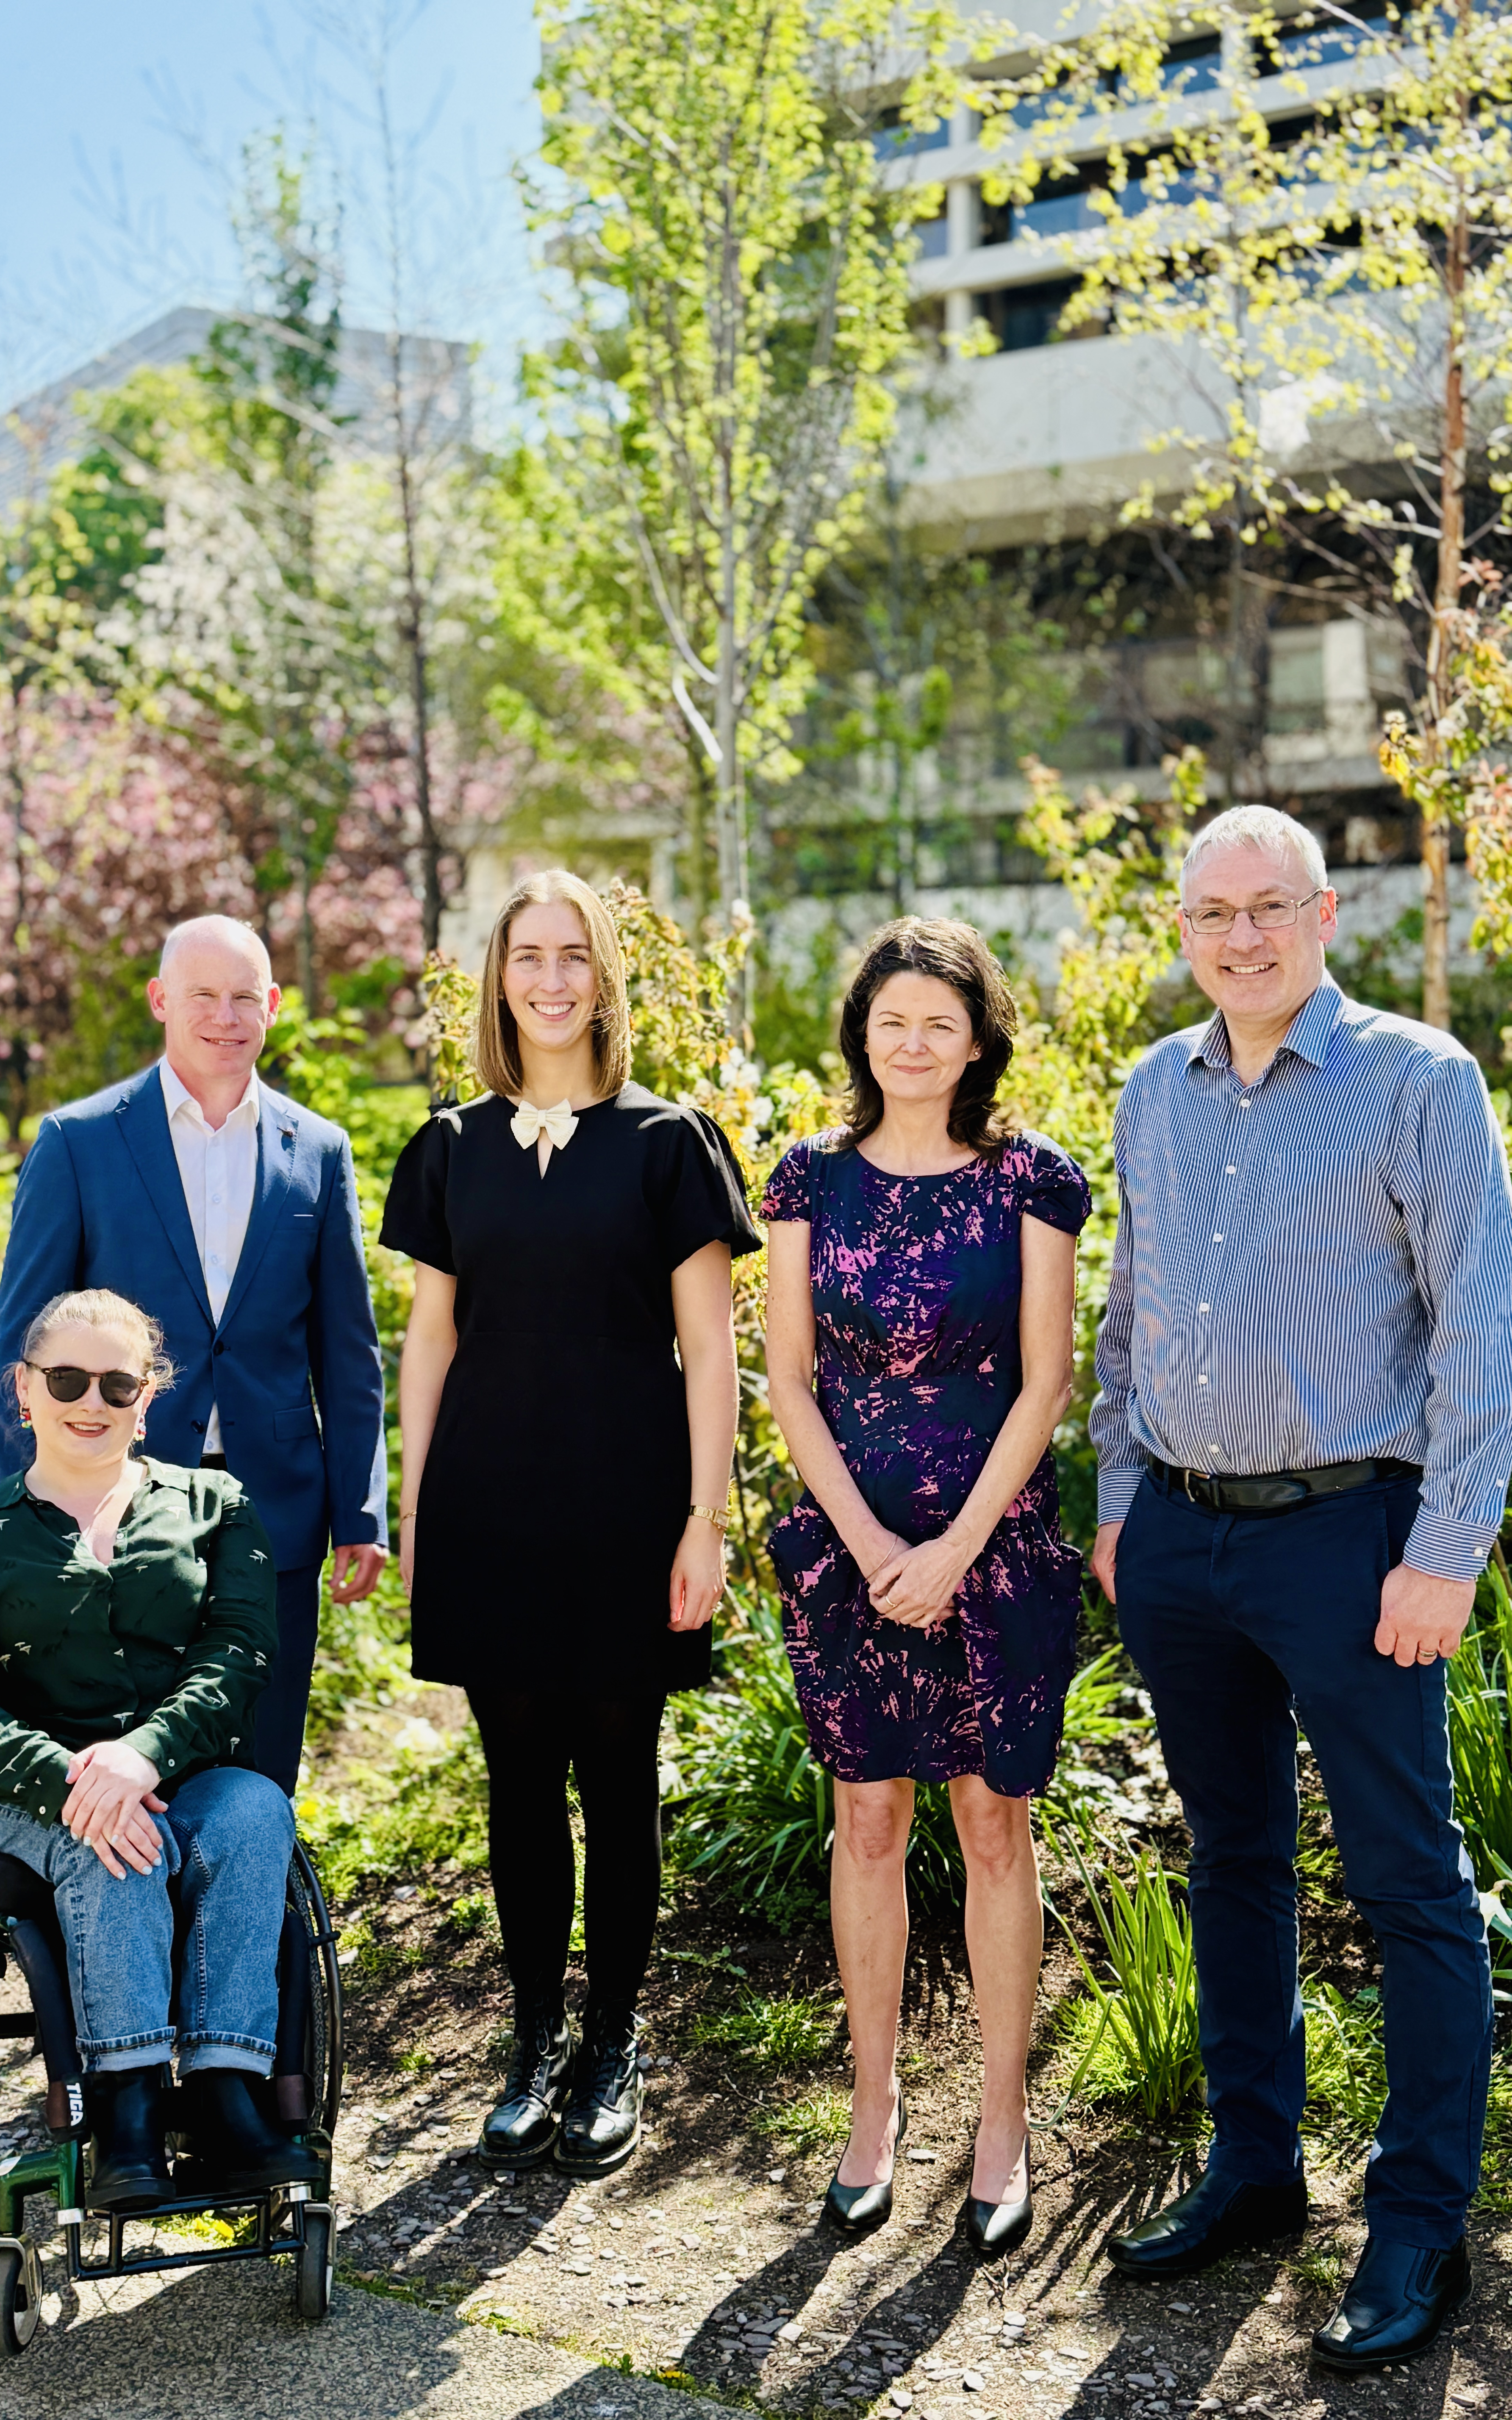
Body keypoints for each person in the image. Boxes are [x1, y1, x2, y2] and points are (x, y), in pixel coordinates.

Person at [1091, 804, 1512, 2374]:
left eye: (1270, 908)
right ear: (1183, 925)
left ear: (1327, 914)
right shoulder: (1154, 1085)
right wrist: (1124, 1498)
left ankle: (1418, 2224)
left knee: (1408, 1882)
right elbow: (1129, 1314)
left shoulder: (1416, 1079)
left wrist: (1445, 1550)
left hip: (1356, 1539)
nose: (1241, 937)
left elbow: (1481, 1325)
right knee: (1233, 1863)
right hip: (1187, 1542)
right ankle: (1256, 2170)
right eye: (1213, 913)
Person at [380, 869, 759, 2178]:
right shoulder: (446, 1146)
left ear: (605, 978)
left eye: (573, 957)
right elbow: (429, 1339)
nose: (550, 979)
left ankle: (614, 2044)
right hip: (488, 1501)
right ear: (498, 980)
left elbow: (709, 1355)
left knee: (617, 1777)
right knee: (516, 1785)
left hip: (624, 1502)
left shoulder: (670, 1143)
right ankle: (532, 2042)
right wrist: (415, 1505)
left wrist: (703, 1521)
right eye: (526, 957)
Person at [763, 917, 1090, 2251]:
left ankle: (1001, 2117)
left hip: (991, 1548)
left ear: (976, 1042)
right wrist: (862, 1542)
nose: (913, 1044)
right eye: (891, 1021)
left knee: (992, 1826)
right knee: (866, 1823)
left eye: (939, 1025)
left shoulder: (1032, 1180)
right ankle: (872, 2104)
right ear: (862, 1034)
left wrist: (954, 1546)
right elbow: (787, 1378)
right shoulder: (805, 1180)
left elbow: (1047, 1377)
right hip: (851, 1548)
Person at [0, 1287, 306, 2211]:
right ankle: (124, 2108)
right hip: (15, 1777)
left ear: (149, 1395)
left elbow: (241, 1656)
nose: (92, 1401)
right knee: (110, 1841)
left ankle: (225, 2093)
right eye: (67, 1378)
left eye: (118, 1383)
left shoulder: (217, 1505)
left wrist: (143, 1757)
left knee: (255, 1811)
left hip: (178, 1769)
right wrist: (75, 1780)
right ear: (25, 1389)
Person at [0, 914, 388, 1797]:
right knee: (130, 1770)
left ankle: (251, 1932)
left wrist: (361, 1511)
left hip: (273, 1515)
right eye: (202, 995)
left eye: (245, 996)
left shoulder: (316, 1152)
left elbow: (348, 1350)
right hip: (112, 1513)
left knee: (260, 1764)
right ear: (162, 1001)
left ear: (274, 1007)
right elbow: (23, 1350)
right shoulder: (79, 1143)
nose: (224, 1015)